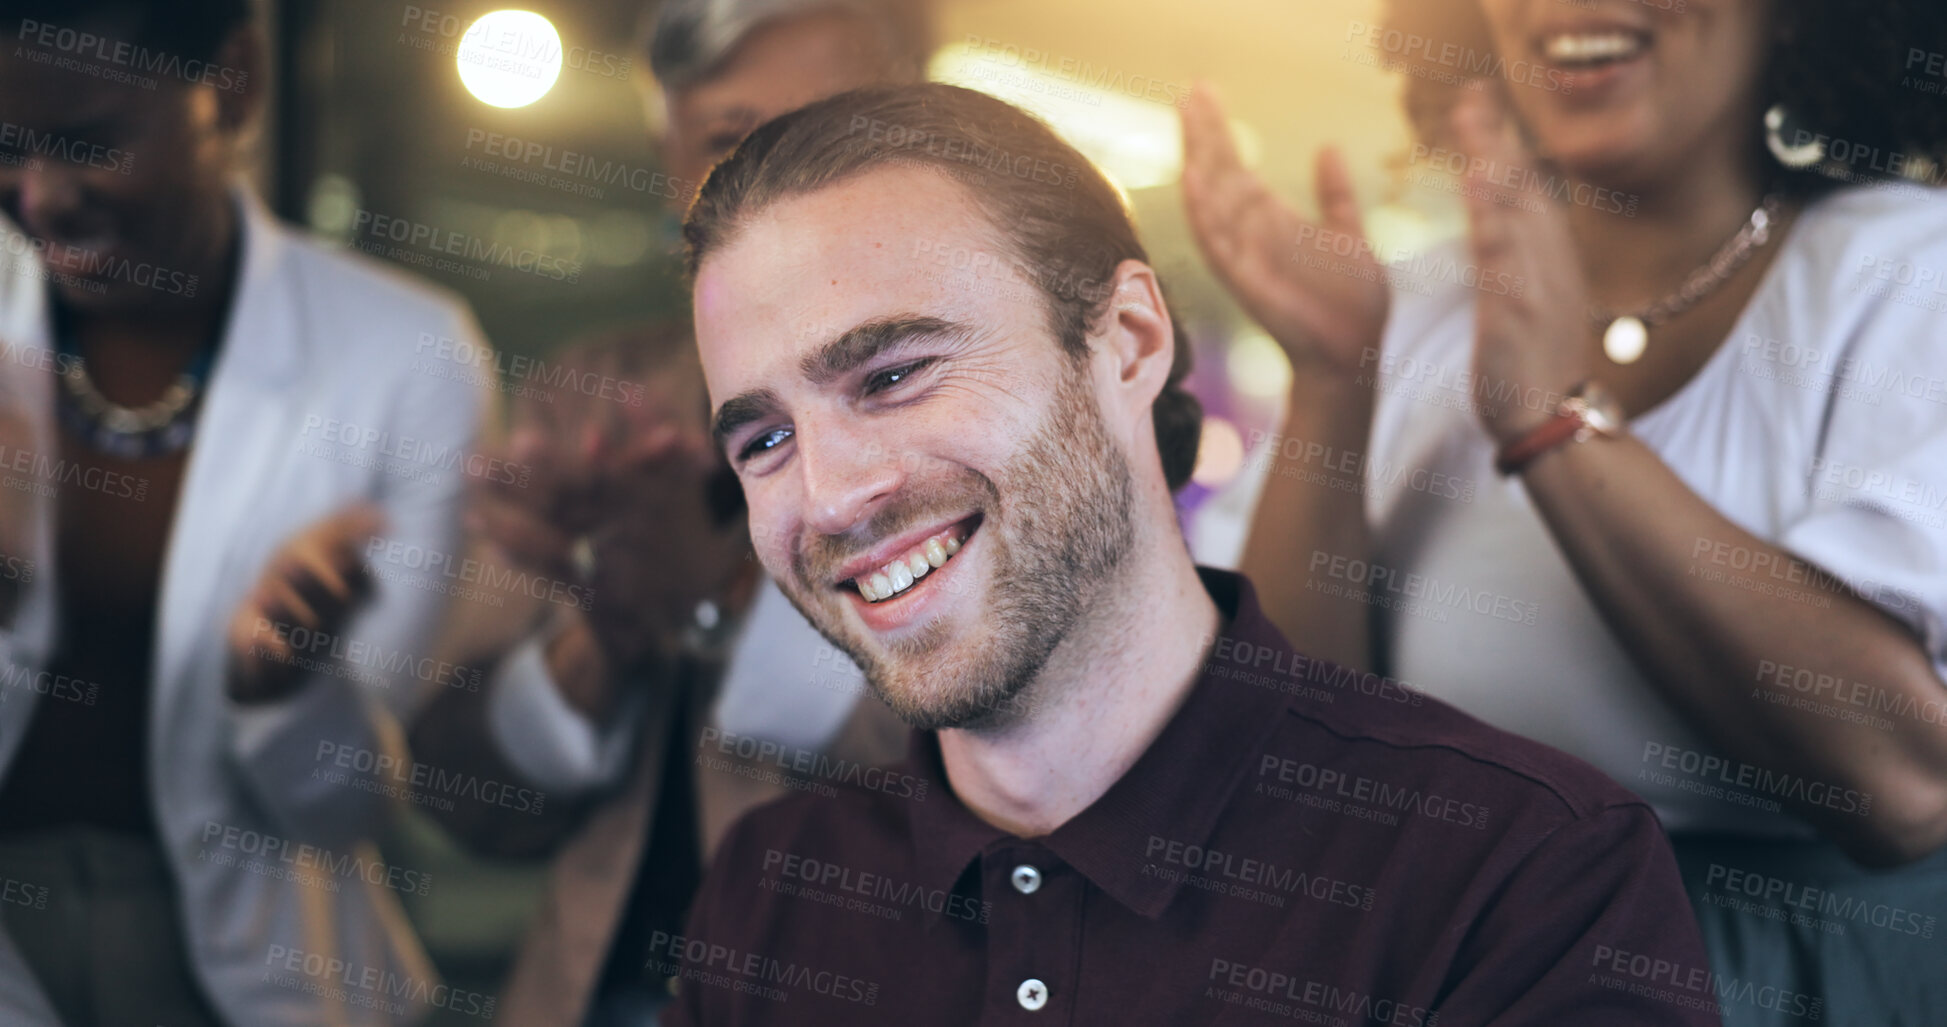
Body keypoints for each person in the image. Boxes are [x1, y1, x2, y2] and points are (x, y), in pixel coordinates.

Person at [661, 82, 1717, 1026]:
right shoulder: (774, 894)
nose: (833, 493)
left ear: (1128, 338)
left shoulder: (1517, 871)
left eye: (892, 376)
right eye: (764, 439)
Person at [1186, 0, 1947, 1021]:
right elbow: (1288, 751)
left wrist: (1552, 423)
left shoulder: (1907, 272)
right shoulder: (1414, 309)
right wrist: (1333, 378)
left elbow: (1901, 785)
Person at [0, 0, 580, 1022]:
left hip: (257, 967)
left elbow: (342, 807)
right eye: (3, 150)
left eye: (90, 144)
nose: (41, 198)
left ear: (232, 83)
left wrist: (285, 688)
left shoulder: (403, 354)